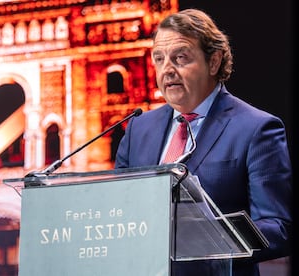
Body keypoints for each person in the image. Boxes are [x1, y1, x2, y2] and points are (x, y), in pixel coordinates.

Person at [115, 8, 292, 276]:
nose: (168, 70)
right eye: (159, 59)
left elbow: (278, 228)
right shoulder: (138, 128)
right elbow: (116, 211)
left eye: (180, 58)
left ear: (214, 62)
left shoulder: (257, 129)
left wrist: (210, 237)